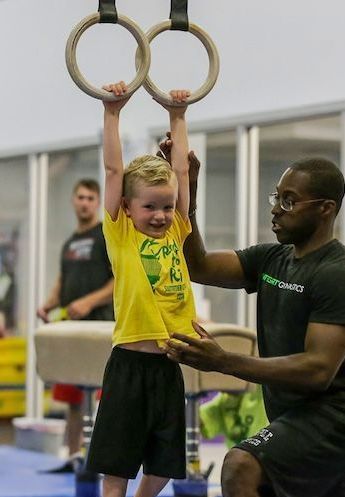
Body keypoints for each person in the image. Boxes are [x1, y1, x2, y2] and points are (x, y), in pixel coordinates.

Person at [165, 156, 345, 497]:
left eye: (289, 201)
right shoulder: (271, 259)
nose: (276, 209)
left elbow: (318, 369)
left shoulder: (336, 273)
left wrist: (224, 361)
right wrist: (187, 197)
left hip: (332, 418)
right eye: (276, 198)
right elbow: (197, 265)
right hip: (294, 417)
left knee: (240, 466)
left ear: (326, 208)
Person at [86, 81, 200, 497]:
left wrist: (178, 116)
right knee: (116, 469)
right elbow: (114, 171)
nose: (160, 215)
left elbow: (182, 171)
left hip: (168, 367)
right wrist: (112, 113)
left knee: (166, 466)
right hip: (129, 367)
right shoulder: (121, 236)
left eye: (167, 206)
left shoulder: (177, 232)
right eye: (149, 206)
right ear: (128, 208)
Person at [37, 178, 114, 458]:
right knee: (72, 398)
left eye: (90, 198)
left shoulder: (106, 236)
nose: (84, 203)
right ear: (73, 201)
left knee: (103, 398)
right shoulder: (70, 242)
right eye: (80, 197)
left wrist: (88, 302)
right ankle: (73, 456)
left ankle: (100, 457)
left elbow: (121, 280)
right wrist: (48, 304)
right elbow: (63, 279)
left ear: (97, 202)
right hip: (72, 329)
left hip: (101, 327)